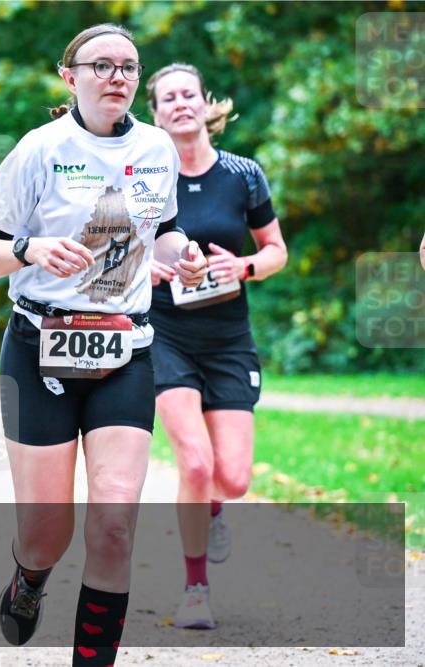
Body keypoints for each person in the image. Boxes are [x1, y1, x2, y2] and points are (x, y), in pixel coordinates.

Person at [0, 24, 207, 667]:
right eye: (102, 65)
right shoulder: (40, 149)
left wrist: (185, 256)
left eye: (128, 66)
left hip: (125, 351)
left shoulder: (156, 149)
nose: (117, 76)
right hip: (39, 345)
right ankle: (29, 578)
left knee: (115, 524)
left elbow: (168, 231)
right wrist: (28, 248)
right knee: (46, 534)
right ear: (70, 77)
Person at [146, 63, 288, 629]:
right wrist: (147, 270)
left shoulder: (243, 174)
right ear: (154, 115)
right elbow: (119, 250)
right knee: (195, 463)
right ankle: (196, 588)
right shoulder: (146, 178)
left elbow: (276, 248)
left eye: (188, 95)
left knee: (232, 478)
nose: (180, 104)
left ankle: (213, 507)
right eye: (166, 99)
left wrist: (247, 265)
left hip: (229, 338)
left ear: (206, 105)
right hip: (166, 336)